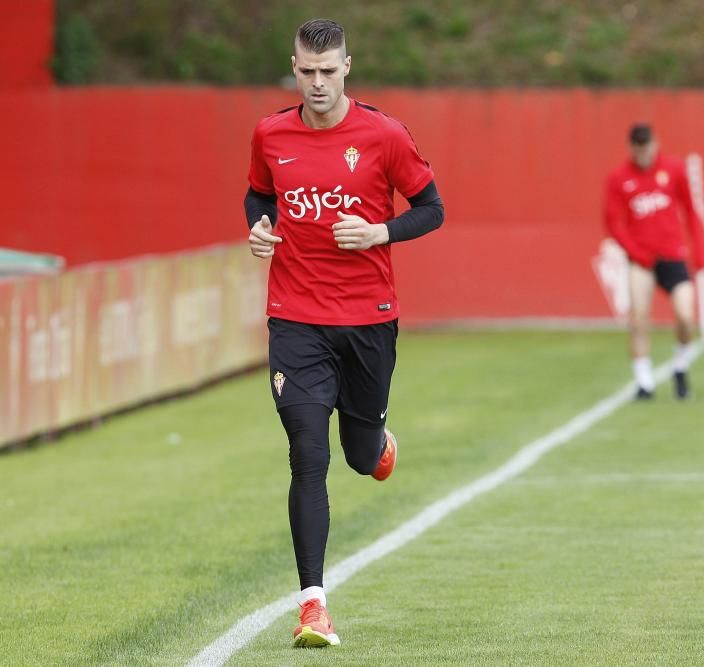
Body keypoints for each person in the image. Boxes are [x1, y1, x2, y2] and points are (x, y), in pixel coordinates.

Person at [244, 19, 444, 648]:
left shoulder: (384, 134)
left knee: (359, 458)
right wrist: (260, 228)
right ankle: (313, 606)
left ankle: (379, 440)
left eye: (328, 72)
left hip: (367, 321)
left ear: (347, 67)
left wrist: (380, 232)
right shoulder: (271, 133)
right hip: (296, 317)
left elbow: (432, 208)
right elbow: (258, 197)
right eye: (307, 71)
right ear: (294, 67)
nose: (318, 83)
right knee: (308, 453)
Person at [603, 123, 704, 400]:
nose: (643, 155)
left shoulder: (673, 170)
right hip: (642, 260)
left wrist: (700, 252)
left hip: (672, 254)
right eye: (637, 149)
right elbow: (614, 222)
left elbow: (691, 211)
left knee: (686, 317)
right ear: (630, 148)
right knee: (638, 320)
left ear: (655, 143)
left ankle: (680, 365)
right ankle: (643, 381)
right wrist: (635, 252)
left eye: (646, 147)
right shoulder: (619, 178)